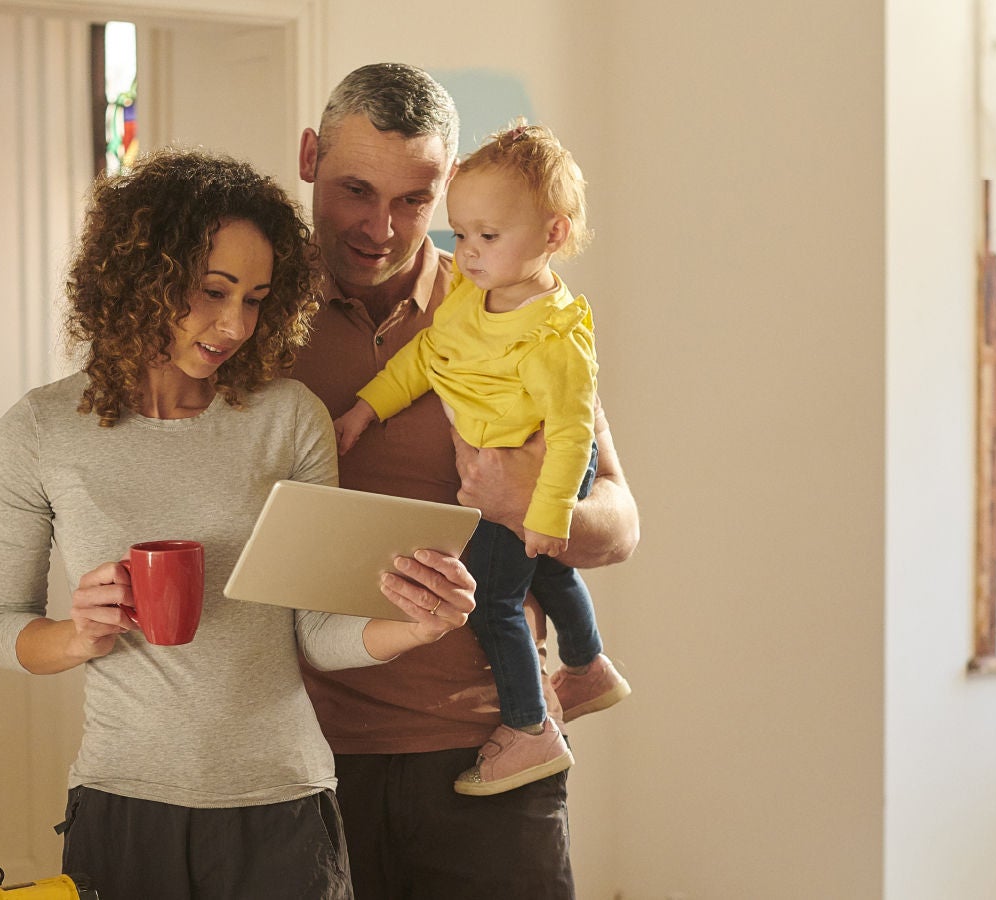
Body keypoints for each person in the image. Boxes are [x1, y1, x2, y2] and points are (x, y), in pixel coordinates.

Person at [0, 148, 477, 900]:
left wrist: (417, 625)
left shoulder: (288, 420)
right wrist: (77, 635)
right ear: (141, 278)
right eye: (213, 291)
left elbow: (312, 632)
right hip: (122, 804)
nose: (234, 324)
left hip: (283, 806)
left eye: (256, 298)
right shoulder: (40, 431)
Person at [290, 63, 641, 900]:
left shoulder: (512, 312)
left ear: (447, 188)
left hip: (491, 751)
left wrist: (531, 503)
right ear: (309, 159)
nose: (382, 227)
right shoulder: (252, 317)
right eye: (355, 191)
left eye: (414, 200)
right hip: (302, 761)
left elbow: (620, 520)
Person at [332, 119, 630, 797]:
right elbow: (426, 359)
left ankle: (528, 730)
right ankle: (587, 666)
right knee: (544, 575)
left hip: (545, 472)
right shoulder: (471, 299)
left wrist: (542, 509)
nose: (465, 252)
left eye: (487, 237)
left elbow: (575, 436)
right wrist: (366, 409)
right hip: (348, 737)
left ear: (551, 235)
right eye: (460, 233)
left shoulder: (556, 337)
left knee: (497, 599)